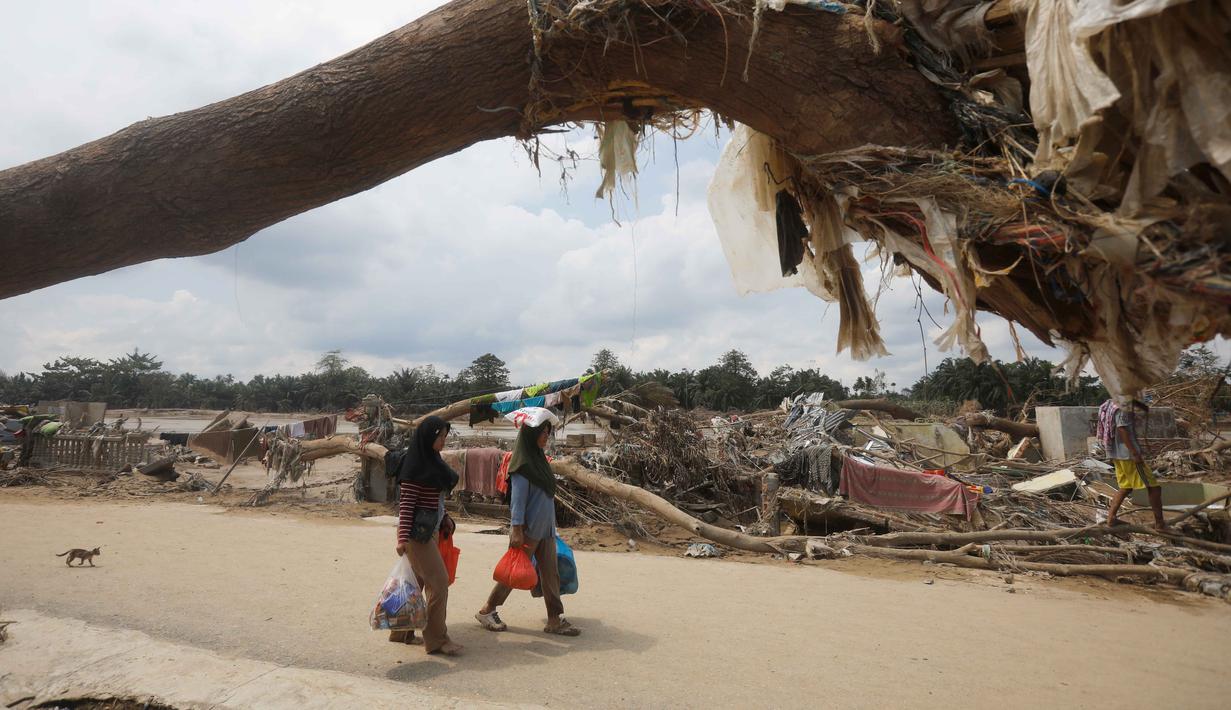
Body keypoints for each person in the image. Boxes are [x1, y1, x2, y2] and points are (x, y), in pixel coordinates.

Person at [475, 422, 580, 637]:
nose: (546, 436)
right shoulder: (522, 466)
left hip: (546, 530)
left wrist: (552, 527)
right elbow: (518, 501)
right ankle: (487, 610)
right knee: (513, 574)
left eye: (548, 432)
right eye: (542, 432)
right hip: (528, 530)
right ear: (531, 435)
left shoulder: (540, 461)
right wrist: (516, 529)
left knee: (551, 575)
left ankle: (554, 619)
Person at [393, 415, 462, 656]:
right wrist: (402, 539)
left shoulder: (432, 462)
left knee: (415, 584)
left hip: (429, 531)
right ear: (427, 438)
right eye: (439, 436)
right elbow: (407, 506)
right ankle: (437, 639)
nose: (443, 440)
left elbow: (433, 501)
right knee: (439, 582)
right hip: (416, 536)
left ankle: (401, 631)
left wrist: (445, 518)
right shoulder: (415, 468)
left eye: (445, 436)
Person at [1105, 399, 1168, 530]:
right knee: (1154, 488)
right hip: (1128, 455)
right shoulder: (1124, 405)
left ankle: (1111, 518)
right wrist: (1134, 453)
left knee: (1125, 487)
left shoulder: (1112, 403)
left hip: (1117, 454)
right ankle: (1160, 524)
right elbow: (1122, 428)